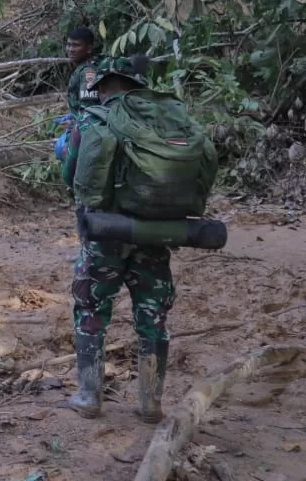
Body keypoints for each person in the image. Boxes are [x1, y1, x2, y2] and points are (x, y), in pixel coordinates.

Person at [61, 54, 175, 422]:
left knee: (91, 309)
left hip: (104, 235)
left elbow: (71, 176)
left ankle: (89, 396)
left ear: (108, 86)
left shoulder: (93, 121)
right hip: (154, 232)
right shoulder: (168, 120)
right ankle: (150, 403)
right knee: (153, 315)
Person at [65, 27, 103, 120]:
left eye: (76, 45)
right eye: (69, 45)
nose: (70, 49)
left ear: (89, 48)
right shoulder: (84, 67)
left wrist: (74, 124)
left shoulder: (88, 72)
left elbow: (89, 109)